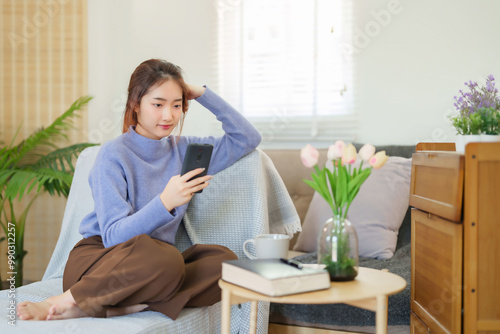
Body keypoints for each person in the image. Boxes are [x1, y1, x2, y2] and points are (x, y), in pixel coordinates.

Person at [17, 58, 262, 321]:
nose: (168, 115)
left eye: (177, 105)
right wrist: (165, 201)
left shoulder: (184, 149)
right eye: (158, 104)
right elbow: (112, 236)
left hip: (155, 268)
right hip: (100, 261)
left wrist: (201, 93)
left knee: (224, 263)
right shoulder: (112, 155)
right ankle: (65, 301)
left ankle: (118, 307)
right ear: (135, 104)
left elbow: (247, 138)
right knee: (165, 258)